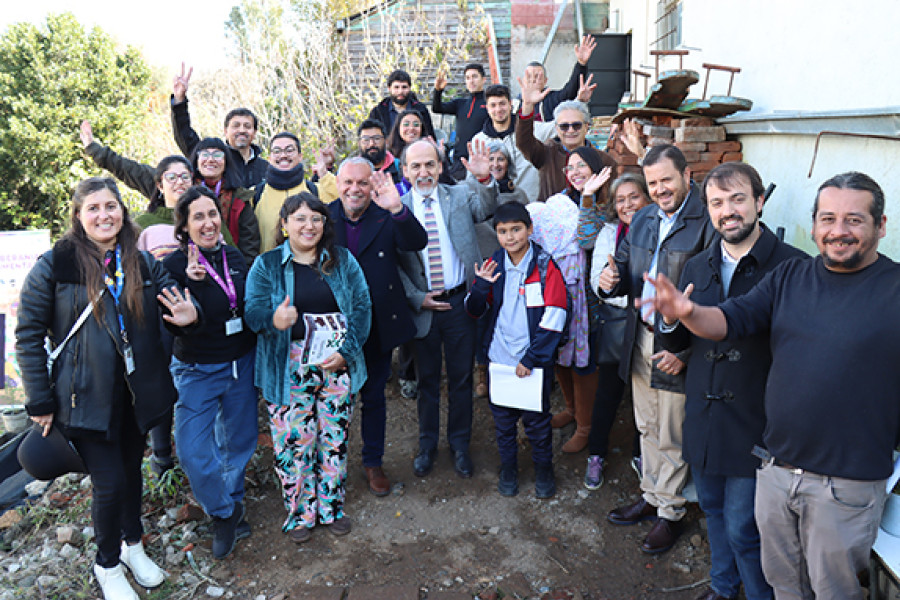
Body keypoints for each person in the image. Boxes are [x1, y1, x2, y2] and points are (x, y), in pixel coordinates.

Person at [642, 171, 897, 600]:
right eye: (828, 218)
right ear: (814, 223)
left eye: (854, 220)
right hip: (778, 469)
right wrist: (686, 310)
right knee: (784, 584)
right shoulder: (791, 277)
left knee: (833, 590)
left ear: (881, 226)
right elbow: (728, 320)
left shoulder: (893, 289)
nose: (838, 231)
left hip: (846, 481)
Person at [15, 177, 198, 600]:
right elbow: (27, 335)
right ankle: (107, 563)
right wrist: (39, 400)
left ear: (123, 210)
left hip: (135, 392)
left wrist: (194, 312)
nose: (104, 215)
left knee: (132, 474)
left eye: (111, 206)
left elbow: (176, 301)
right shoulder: (55, 265)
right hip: (84, 397)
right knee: (110, 482)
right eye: (93, 208)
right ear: (78, 217)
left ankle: (134, 546)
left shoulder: (138, 259)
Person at [658, 162, 804, 600]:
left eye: (738, 199)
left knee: (745, 527)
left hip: (758, 422)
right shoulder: (697, 266)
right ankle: (723, 587)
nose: (728, 211)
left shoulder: (794, 267)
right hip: (703, 417)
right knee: (712, 510)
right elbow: (683, 335)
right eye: (717, 203)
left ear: (759, 202)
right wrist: (669, 321)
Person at [598, 144, 715, 554]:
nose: (661, 189)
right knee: (645, 423)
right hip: (640, 335)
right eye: (654, 183)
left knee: (671, 430)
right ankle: (651, 495)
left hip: (677, 342)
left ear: (686, 176)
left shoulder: (707, 222)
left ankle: (671, 512)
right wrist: (611, 280)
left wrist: (684, 353)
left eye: (667, 179)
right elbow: (628, 268)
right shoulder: (645, 217)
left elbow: (714, 296)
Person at [244, 193, 371, 544]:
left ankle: (331, 508)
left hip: (335, 360)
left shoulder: (342, 260)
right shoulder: (266, 266)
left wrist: (347, 351)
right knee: (295, 441)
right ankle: (300, 512)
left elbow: (361, 305)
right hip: (288, 364)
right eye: (299, 219)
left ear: (325, 225)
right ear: (284, 225)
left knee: (333, 437)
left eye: (316, 218)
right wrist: (274, 319)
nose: (308, 226)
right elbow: (251, 313)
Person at [163, 187, 259, 560]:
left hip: (240, 362)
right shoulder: (173, 266)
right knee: (192, 452)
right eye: (198, 217)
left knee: (239, 441)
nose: (208, 222)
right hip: (196, 369)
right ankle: (224, 511)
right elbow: (175, 315)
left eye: (212, 214)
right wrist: (193, 291)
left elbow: (249, 304)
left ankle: (232, 499)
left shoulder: (234, 257)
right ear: (184, 227)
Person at [396, 138, 498, 480]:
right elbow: (395, 266)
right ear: (405, 171)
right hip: (424, 306)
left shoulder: (458, 196)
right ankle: (427, 445)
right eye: (416, 166)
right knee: (426, 379)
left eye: (430, 164)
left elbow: (485, 208)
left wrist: (483, 180)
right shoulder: (397, 208)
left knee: (461, 378)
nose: (423, 172)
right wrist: (415, 297)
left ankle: (459, 444)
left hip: (458, 302)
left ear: (440, 167)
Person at [327, 157, 427, 496]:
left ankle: (372, 462)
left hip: (379, 323)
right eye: (348, 182)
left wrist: (398, 209)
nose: (355, 189)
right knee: (333, 400)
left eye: (362, 182)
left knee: (373, 397)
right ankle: (331, 463)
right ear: (337, 183)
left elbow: (416, 242)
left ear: (372, 185)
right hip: (334, 327)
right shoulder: (322, 216)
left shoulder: (386, 213)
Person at [464, 201, 568, 498]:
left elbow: (556, 313)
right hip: (500, 359)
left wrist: (533, 357)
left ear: (530, 230)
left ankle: (543, 470)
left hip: (533, 361)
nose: (510, 237)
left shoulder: (546, 266)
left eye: (516, 230)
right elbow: (473, 311)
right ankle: (508, 468)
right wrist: (481, 288)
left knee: (537, 422)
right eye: (503, 231)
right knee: (503, 422)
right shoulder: (493, 264)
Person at [534, 146, 618, 454]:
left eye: (582, 165)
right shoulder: (558, 203)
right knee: (561, 355)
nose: (575, 172)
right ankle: (570, 409)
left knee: (585, 361)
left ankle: (586, 426)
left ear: (595, 168)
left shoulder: (606, 204)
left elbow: (585, 239)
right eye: (570, 168)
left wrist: (589, 197)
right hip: (559, 295)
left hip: (591, 302)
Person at [580, 173, 652, 489]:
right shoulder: (610, 234)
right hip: (618, 322)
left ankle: (641, 454)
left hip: (649, 324)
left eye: (633, 197)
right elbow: (599, 282)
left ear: (647, 198)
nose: (627, 205)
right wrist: (616, 287)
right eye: (620, 200)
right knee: (608, 392)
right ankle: (596, 454)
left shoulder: (660, 230)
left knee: (644, 393)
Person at [471, 140, 530, 397]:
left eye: (500, 159)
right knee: (483, 317)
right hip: (486, 260)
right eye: (491, 159)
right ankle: (482, 369)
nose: (495, 164)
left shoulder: (519, 194)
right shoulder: (472, 191)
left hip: (515, 263)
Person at [170, 63, 267, 187]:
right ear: (226, 131)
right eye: (236, 126)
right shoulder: (215, 160)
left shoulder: (266, 168)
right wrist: (179, 101)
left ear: (254, 132)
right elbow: (184, 134)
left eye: (247, 126)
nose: (242, 130)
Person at [516, 76, 599, 202]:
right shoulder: (546, 153)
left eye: (576, 125)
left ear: (586, 127)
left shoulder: (602, 158)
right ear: (556, 128)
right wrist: (527, 106)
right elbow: (524, 142)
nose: (570, 130)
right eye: (564, 126)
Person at [252, 132, 338, 253]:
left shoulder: (315, 190)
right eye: (277, 151)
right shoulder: (255, 194)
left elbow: (343, 199)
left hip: (309, 266)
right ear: (269, 158)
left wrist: (324, 172)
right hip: (268, 268)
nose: (283, 155)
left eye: (289, 150)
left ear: (300, 156)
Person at [472, 84, 556, 204]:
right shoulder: (478, 141)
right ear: (487, 108)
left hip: (530, 204)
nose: (498, 109)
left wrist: (580, 101)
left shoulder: (533, 130)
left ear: (510, 104)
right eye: (493, 105)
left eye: (502, 104)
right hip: (495, 211)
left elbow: (560, 125)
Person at [190, 137, 260, 264]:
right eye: (205, 154)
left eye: (217, 155)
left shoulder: (240, 197)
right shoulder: (185, 194)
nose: (210, 159)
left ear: (226, 161)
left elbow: (250, 244)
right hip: (192, 262)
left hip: (231, 266)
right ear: (196, 160)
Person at [518, 35, 598, 121]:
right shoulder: (516, 103)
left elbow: (570, 91)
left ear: (545, 81)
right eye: (529, 76)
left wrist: (581, 64)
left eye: (538, 76)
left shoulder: (551, 98)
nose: (533, 80)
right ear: (523, 80)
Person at [432, 63, 490, 179]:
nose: (471, 81)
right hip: (460, 162)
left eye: (474, 76)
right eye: (468, 78)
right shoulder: (460, 103)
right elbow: (437, 108)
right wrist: (438, 91)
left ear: (483, 80)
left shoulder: (490, 104)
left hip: (482, 161)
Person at [368, 69, 435, 135]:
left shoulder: (421, 110)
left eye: (404, 87)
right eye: (396, 87)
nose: (400, 91)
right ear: (389, 89)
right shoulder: (377, 112)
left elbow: (430, 136)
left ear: (409, 88)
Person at [357, 119, 403, 184]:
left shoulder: (399, 166)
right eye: (366, 139)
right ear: (359, 143)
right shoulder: (351, 169)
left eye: (377, 138)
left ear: (386, 141)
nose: (371, 144)